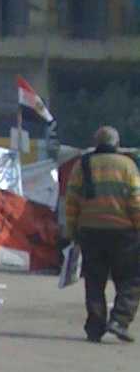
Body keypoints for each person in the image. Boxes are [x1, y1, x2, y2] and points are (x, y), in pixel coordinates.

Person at [64, 125, 140, 343]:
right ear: (117, 144)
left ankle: (95, 327)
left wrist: (71, 231)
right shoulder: (127, 166)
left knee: (95, 282)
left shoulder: (82, 165)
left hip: (90, 232)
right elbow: (136, 201)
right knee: (131, 280)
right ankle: (119, 320)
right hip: (123, 234)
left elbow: (71, 202)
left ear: (95, 143)